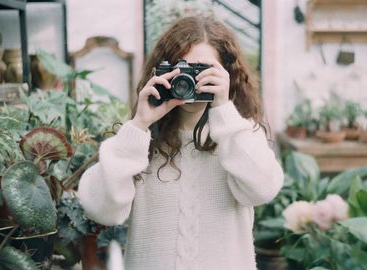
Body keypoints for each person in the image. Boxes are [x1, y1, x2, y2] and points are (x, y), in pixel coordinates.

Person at [78, 15, 284, 270]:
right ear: (162, 71)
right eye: (181, 69)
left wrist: (224, 109)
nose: (190, 80)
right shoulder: (139, 142)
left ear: (227, 75)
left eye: (203, 71)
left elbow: (263, 189)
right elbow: (102, 210)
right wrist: (139, 125)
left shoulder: (239, 136)